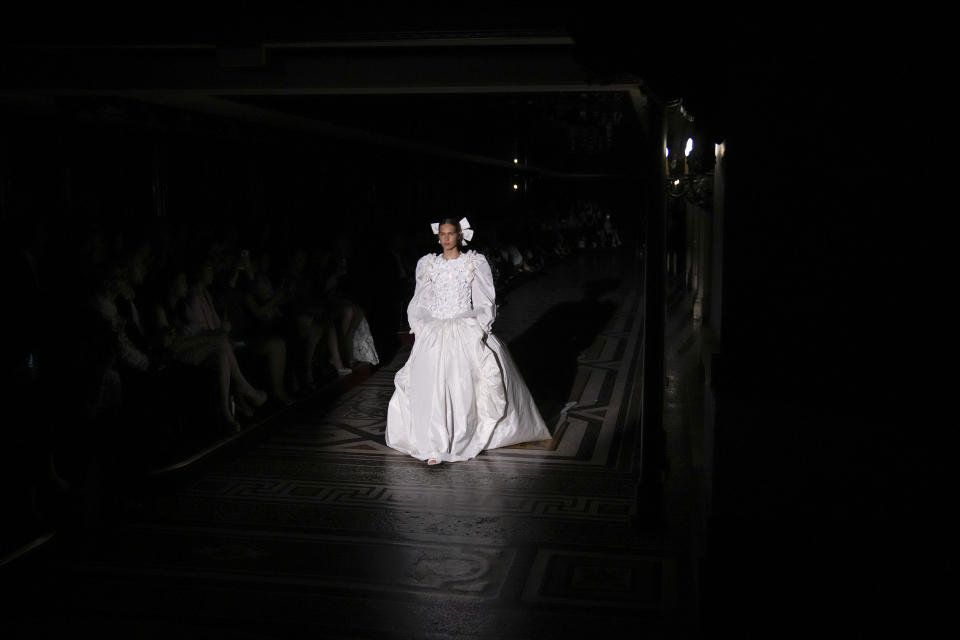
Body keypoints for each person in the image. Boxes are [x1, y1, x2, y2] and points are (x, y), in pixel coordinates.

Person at [386, 217, 551, 465]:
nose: (445, 238)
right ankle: (435, 443)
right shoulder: (428, 264)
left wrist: (480, 326)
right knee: (433, 385)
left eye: (450, 233)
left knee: (464, 382)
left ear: (460, 235)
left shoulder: (473, 262)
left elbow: (484, 300)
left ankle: (462, 435)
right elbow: (421, 299)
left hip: (464, 327)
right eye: (442, 234)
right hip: (436, 331)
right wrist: (422, 324)